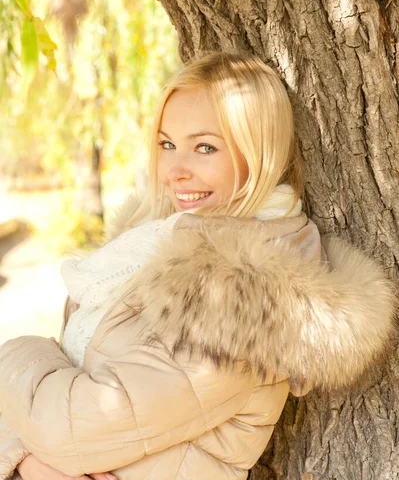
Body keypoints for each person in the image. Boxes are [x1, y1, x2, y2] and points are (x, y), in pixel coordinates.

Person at [0, 52, 395, 480]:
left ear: (257, 153)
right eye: (167, 144)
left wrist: (15, 355)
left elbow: (68, 430)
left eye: (205, 147)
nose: (175, 171)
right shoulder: (154, 242)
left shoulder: (243, 295)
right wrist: (27, 456)